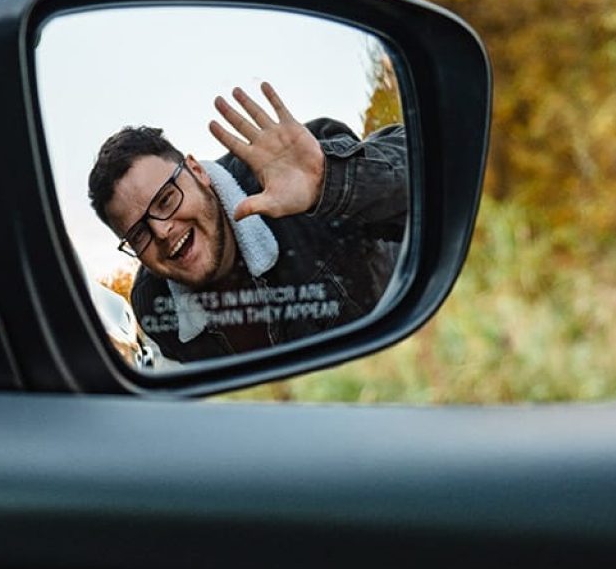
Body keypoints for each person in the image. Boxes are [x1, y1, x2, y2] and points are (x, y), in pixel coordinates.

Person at [87, 82, 407, 364]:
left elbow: (435, 166)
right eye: (138, 233)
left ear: (197, 172)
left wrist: (329, 180)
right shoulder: (154, 305)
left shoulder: (289, 174)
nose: (161, 230)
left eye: (166, 200)